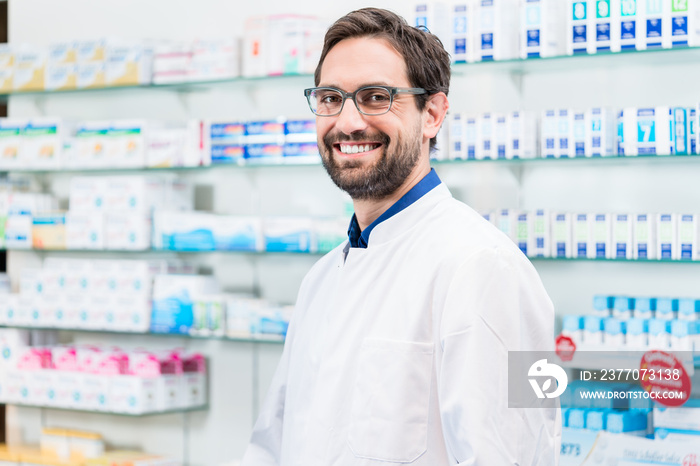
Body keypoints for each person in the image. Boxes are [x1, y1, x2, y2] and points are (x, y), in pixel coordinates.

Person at [242, 7, 560, 465]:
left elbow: (513, 455)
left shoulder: (484, 268)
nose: (348, 122)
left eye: (375, 97)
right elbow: (273, 445)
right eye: (331, 97)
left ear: (432, 114)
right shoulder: (322, 278)